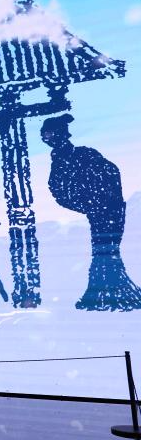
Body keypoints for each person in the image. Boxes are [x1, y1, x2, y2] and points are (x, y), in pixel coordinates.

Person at [41, 114, 141, 310]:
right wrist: (88, 205)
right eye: (45, 134)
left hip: (108, 210)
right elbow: (59, 191)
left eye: (49, 134)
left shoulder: (85, 154)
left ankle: (111, 296)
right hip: (99, 211)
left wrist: (96, 202)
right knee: (103, 250)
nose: (45, 138)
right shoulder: (60, 160)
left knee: (106, 249)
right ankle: (105, 295)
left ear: (60, 134)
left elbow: (110, 174)